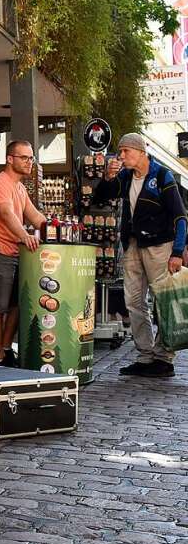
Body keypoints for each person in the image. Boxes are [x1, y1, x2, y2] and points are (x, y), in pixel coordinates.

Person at [93, 133, 186, 377]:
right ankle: (145, 356)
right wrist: (108, 177)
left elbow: (180, 217)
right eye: (120, 152)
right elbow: (102, 196)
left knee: (163, 302)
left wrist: (177, 252)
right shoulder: (125, 175)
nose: (121, 156)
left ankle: (164, 358)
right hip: (133, 244)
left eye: (126, 151)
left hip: (160, 246)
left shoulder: (161, 175)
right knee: (133, 301)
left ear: (141, 151)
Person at [0, 140, 47, 366]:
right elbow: (7, 214)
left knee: (17, 305)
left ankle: (6, 349)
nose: (29, 163)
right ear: (10, 159)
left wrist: (60, 229)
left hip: (15, 254)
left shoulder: (19, 187)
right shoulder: (0, 182)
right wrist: (25, 236)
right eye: (24, 158)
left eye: (31, 158)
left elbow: (36, 217)